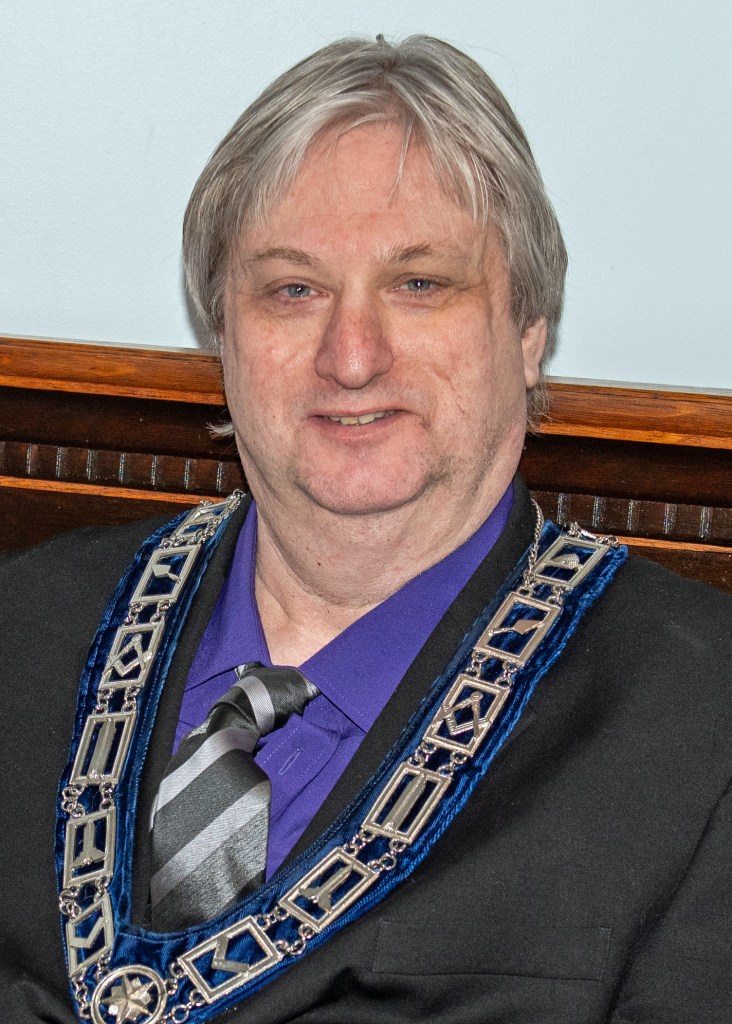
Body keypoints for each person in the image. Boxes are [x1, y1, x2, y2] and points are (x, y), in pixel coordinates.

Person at [1, 34, 730, 1024]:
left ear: (529, 332)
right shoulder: (23, 631)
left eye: (419, 283)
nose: (352, 355)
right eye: (292, 289)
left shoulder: (700, 737)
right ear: (223, 336)